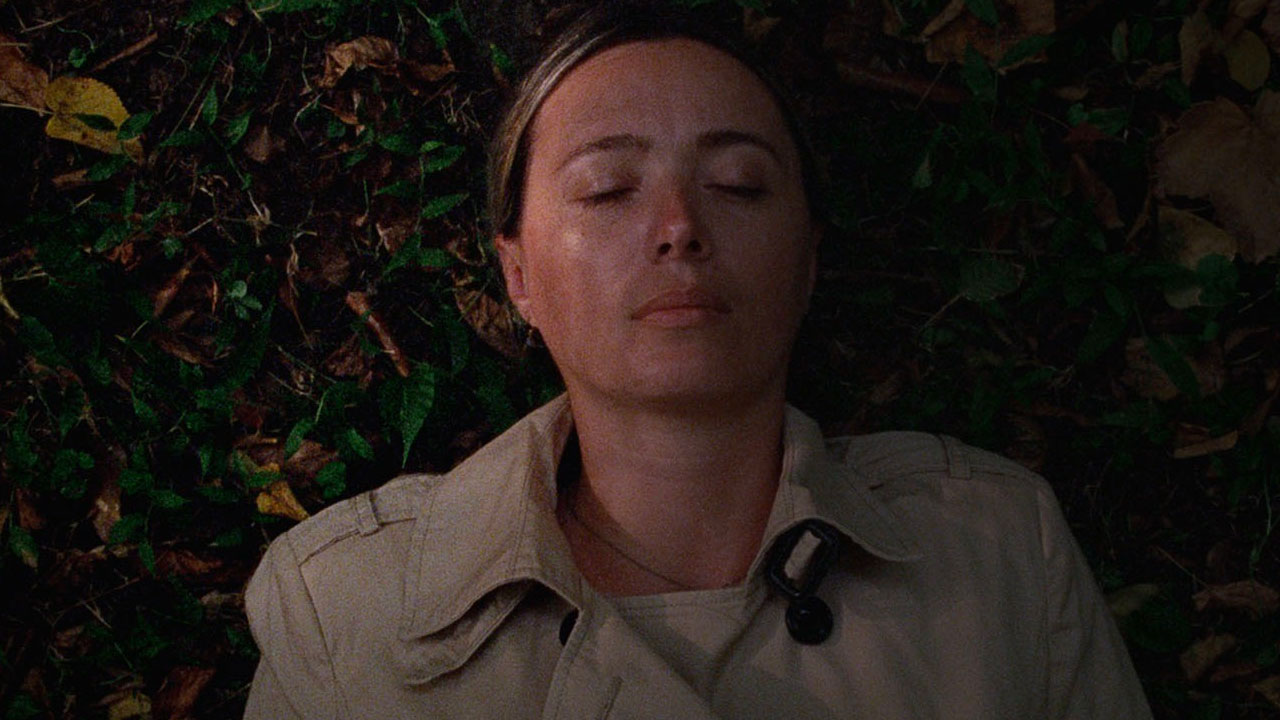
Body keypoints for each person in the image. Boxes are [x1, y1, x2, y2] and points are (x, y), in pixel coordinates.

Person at [242, 5, 1153, 718]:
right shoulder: (349, 613)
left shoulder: (997, 553)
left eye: (738, 185)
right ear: (517, 274)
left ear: (808, 261)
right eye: (608, 189)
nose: (679, 226)